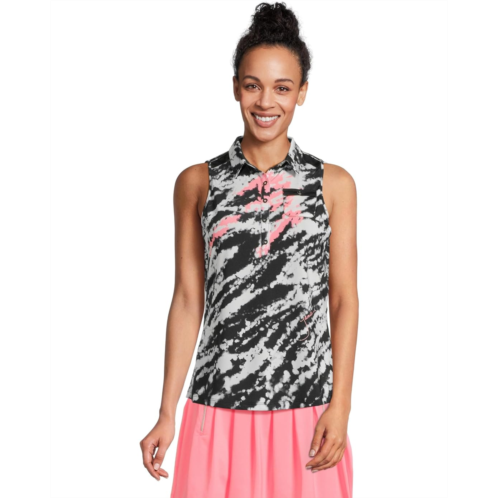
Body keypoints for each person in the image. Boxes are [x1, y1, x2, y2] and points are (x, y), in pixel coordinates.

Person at [140, 2, 359, 497]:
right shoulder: (197, 182)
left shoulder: (332, 185)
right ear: (236, 87)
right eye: (253, 85)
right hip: (216, 407)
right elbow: (188, 300)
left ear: (302, 92)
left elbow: (344, 300)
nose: (266, 101)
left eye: (283, 87)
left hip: (308, 410)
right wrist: (166, 412)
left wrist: (341, 404)